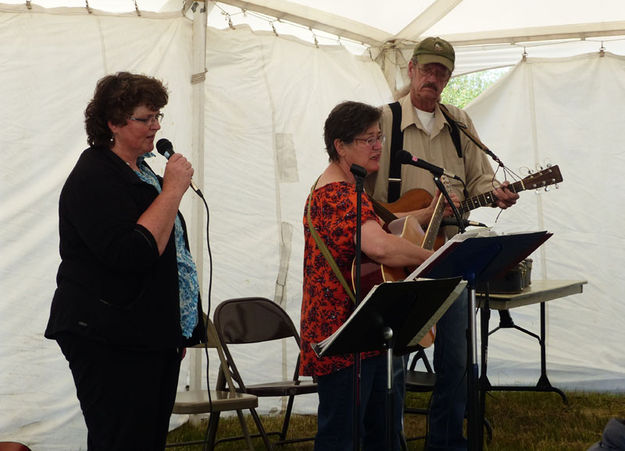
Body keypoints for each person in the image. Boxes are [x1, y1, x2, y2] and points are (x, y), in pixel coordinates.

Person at [365, 37, 519, 450]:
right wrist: (391, 224)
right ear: (411, 69)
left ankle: (446, 441)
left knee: (455, 358)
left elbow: (480, 181)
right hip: (396, 260)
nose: (433, 78)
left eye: (442, 72)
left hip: (448, 256)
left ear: (449, 77)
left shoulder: (460, 123)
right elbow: (355, 187)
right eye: (427, 69)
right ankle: (388, 443)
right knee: (394, 360)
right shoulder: (384, 119)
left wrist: (497, 191)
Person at [44, 72, 206, 450]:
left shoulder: (141, 170)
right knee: (121, 439)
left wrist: (176, 326)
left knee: (147, 440)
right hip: (107, 334)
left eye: (158, 116)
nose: (156, 126)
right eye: (146, 118)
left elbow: (169, 251)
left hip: (150, 333)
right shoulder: (95, 175)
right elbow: (132, 252)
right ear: (114, 123)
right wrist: (172, 190)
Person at [300, 101, 434, 450]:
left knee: (374, 432)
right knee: (344, 437)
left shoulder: (351, 189)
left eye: (379, 137)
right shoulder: (338, 195)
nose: (378, 146)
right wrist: (433, 258)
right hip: (346, 335)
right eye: (367, 139)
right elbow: (381, 248)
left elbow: (384, 233)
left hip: (361, 331)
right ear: (340, 146)